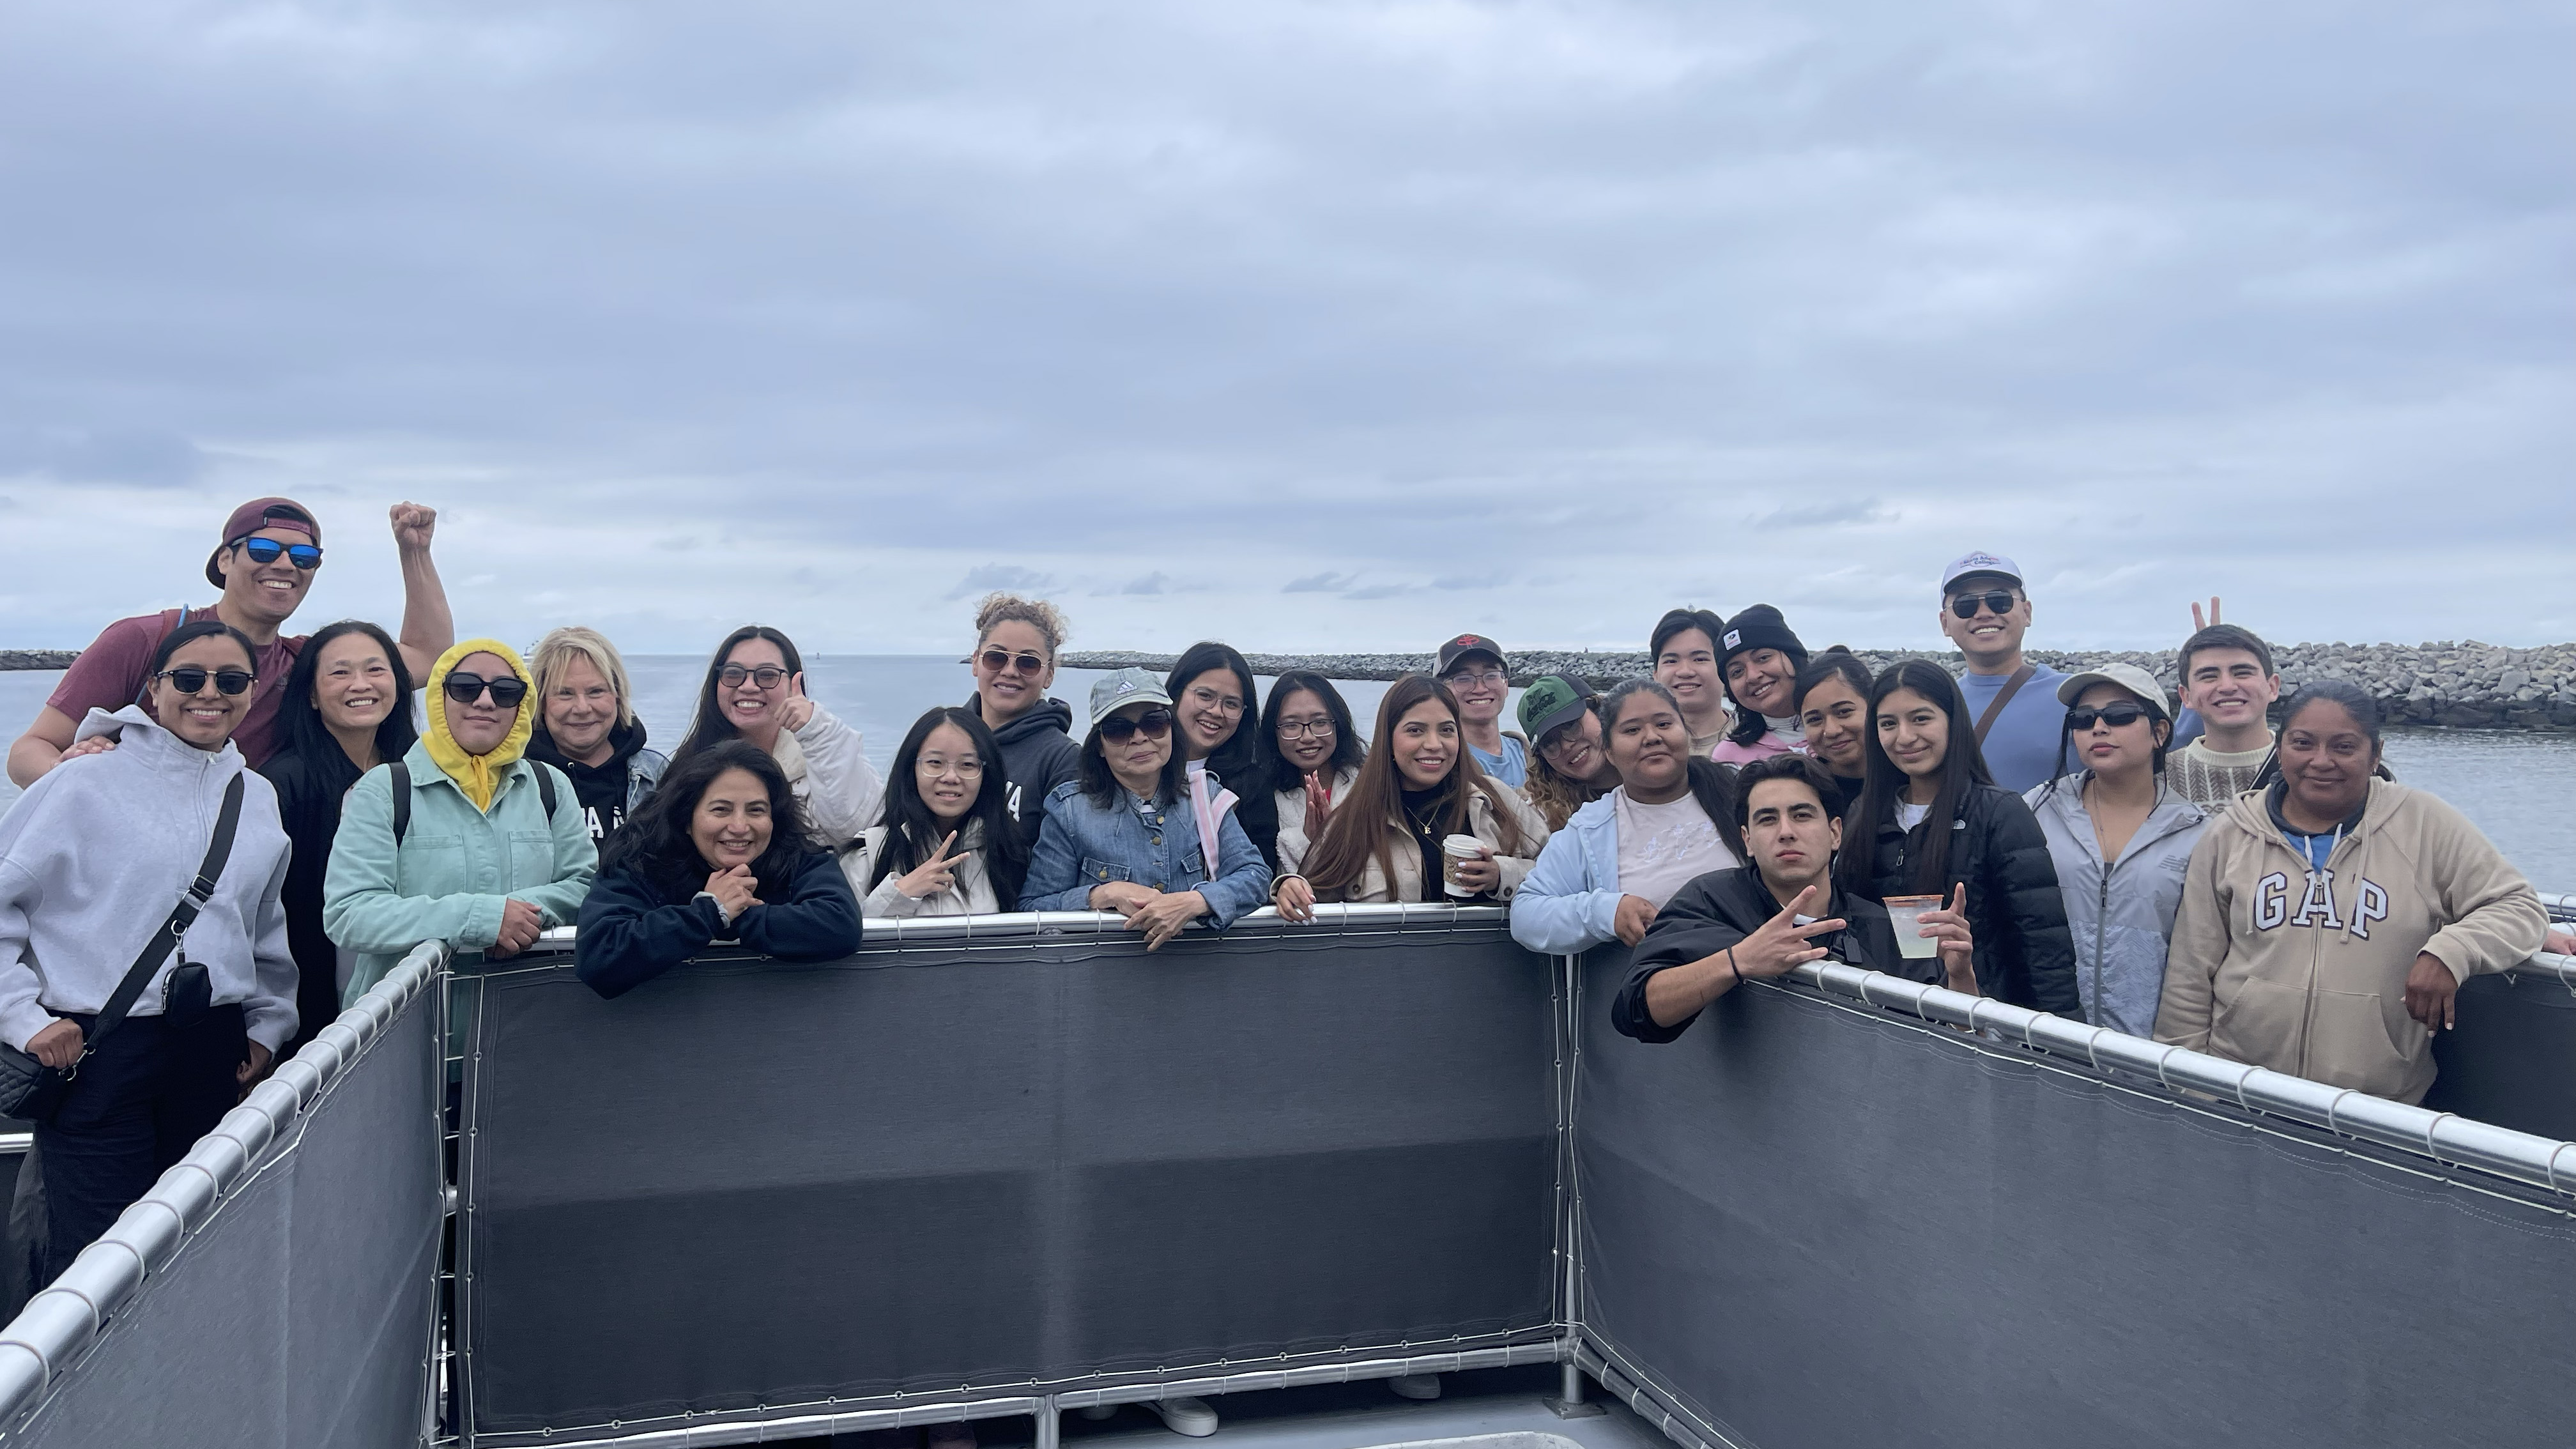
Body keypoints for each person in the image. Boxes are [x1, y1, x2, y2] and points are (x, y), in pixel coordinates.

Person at [0, 618, 296, 1283]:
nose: (209, 694)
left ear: (252, 692)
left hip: (210, 1048)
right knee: (97, 1263)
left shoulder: (256, 797)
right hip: (100, 1048)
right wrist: (23, 1019)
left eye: (232, 680)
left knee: (197, 1244)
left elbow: (262, 926)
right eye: (189, 678)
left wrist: (267, 1027)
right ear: (153, 690)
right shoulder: (82, 783)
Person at [2156, 682, 2547, 1105]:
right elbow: (2190, 973)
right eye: (2302, 744)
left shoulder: (2423, 823)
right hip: (2243, 1093)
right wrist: (2189, 1089)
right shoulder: (2231, 833)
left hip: (2375, 1109)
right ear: (2281, 747)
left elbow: (2519, 908)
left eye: (2344, 747)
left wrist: (2450, 952)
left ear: (2375, 755)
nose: (2321, 761)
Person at [10, 498, 453, 785]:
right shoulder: (146, 639)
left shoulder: (304, 662)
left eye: (303, 557)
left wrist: (414, 552)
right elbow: (29, 751)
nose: (284, 565)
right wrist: (71, 775)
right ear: (225, 559)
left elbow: (430, 659)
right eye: (263, 551)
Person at [1612, 755, 1978, 1044]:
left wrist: (1961, 976)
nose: (1786, 832)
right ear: (1748, 840)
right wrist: (1738, 960)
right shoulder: (1708, 901)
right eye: (1768, 820)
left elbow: (1954, 1044)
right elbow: (1636, 1010)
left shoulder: (1884, 924)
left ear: (1835, 832)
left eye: (1802, 815)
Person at [323, 640, 598, 1004]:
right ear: (440, 697)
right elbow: (350, 914)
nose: (485, 701)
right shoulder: (385, 789)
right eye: (465, 687)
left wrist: (514, 917)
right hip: (405, 1027)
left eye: (506, 692)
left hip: (523, 1018)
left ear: (523, 704)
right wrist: (483, 918)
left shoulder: (550, 786)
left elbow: (584, 884)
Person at [1838, 660, 2079, 1015]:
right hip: (1883, 1019)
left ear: (1953, 721)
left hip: (1982, 1023)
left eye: (1921, 718)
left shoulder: (1999, 812)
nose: (1904, 737)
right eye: (1888, 724)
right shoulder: (1864, 814)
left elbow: (2044, 948)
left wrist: (2063, 1047)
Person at [575, 740, 864, 999]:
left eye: (756, 810)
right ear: (686, 818)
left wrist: (736, 915)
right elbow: (601, 955)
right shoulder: (640, 861)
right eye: (721, 810)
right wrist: (708, 912)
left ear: (774, 819)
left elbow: (840, 924)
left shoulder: (799, 857)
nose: (739, 827)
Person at [258, 620, 420, 1053]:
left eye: (375, 670)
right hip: (313, 1005)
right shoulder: (282, 784)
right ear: (311, 694)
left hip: (414, 988)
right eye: (340, 672)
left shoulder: (421, 772)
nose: (360, 685)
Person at [1019, 670, 1271, 944]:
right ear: (1100, 746)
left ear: (1172, 730)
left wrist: (1195, 902)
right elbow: (1033, 907)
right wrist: (1103, 894)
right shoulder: (1068, 811)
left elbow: (1255, 877)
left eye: (1154, 724)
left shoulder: (1207, 796)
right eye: (1119, 730)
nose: (1139, 738)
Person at [2023, 664, 2208, 1036]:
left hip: (2150, 1056)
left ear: (2160, 732)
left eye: (2120, 715)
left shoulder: (2198, 832)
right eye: (2083, 718)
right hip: (2044, 1040)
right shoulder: (2036, 810)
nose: (2099, 727)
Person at [1511, 679, 1748, 956]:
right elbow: (1527, 915)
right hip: (1668, 988)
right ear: (1610, 749)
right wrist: (1607, 912)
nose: (1651, 737)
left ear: (1685, 729)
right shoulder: (1589, 828)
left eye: (1664, 724)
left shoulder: (1740, 793)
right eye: (1632, 730)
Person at [1276, 674, 1549, 910]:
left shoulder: (1495, 800)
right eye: (1415, 730)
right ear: (1388, 738)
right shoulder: (1353, 818)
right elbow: (1313, 898)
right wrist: (1289, 888)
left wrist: (1502, 875)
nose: (1434, 744)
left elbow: (1562, 873)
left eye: (1446, 730)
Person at [670, 626, 882, 850]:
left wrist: (817, 730)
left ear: (794, 686)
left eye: (767, 675)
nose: (748, 686)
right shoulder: (689, 764)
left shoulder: (825, 755)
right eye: (733, 674)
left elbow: (858, 830)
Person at [845, 707, 1030, 917]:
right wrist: (901, 893)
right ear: (911, 768)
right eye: (935, 763)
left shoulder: (1009, 855)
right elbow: (844, 939)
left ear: (987, 775)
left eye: (967, 765)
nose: (951, 777)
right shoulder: (869, 855)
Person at [1935, 551, 2067, 794]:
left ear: (2027, 613)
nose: (1984, 613)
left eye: (2000, 600)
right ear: (1945, 623)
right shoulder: (1937, 702)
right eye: (1966, 605)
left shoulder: (2074, 696)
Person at [526, 627, 668, 847]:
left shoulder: (657, 775)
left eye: (596, 692)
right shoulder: (518, 781)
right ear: (541, 702)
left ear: (618, 696)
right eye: (565, 693)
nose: (582, 708)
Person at [965, 592, 1082, 841]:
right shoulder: (945, 739)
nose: (1009, 672)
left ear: (1049, 674)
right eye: (996, 658)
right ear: (976, 662)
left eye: (1028, 663)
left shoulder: (1063, 760)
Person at [1166, 642, 1282, 875]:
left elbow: (1261, 872)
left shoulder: (1253, 786)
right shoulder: (1139, 766)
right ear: (1176, 694)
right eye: (1205, 696)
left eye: (1231, 704)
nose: (1217, 712)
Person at [2166, 624, 2283, 811]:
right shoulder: (2159, 781)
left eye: (2242, 673)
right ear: (2186, 696)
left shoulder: (2307, 768)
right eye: (2209, 676)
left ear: (2273, 687)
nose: (2227, 686)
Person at [1257, 671, 1364, 862]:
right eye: (1291, 725)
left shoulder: (1368, 784)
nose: (1307, 737)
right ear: (1273, 731)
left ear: (1338, 724)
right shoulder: (1261, 799)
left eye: (1320, 722)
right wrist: (1307, 841)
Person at [1517, 675, 1621, 832]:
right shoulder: (1540, 818)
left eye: (1570, 725)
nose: (1566, 746)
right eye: (1549, 743)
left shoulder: (1661, 776)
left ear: (1599, 712)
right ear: (1542, 758)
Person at [1709, 605, 1809, 765]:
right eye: (1737, 672)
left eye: (1763, 658)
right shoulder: (1729, 758)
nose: (1753, 676)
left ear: (1794, 656)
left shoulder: (1845, 729)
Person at [1436, 634, 1526, 788]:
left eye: (1491, 676)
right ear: (1442, 692)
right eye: (1463, 678)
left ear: (1506, 685)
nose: (1480, 688)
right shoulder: (1440, 762)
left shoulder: (1529, 754)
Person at [1793, 650, 1875, 820]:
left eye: (1844, 712)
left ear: (1874, 707)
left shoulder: (1912, 780)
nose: (1831, 731)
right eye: (1815, 719)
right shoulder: (1799, 790)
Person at [1650, 608, 1733, 756]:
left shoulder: (1759, 738)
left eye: (1700, 659)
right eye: (1671, 661)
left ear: (1726, 668)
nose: (1685, 672)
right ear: (1656, 674)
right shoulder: (1641, 743)